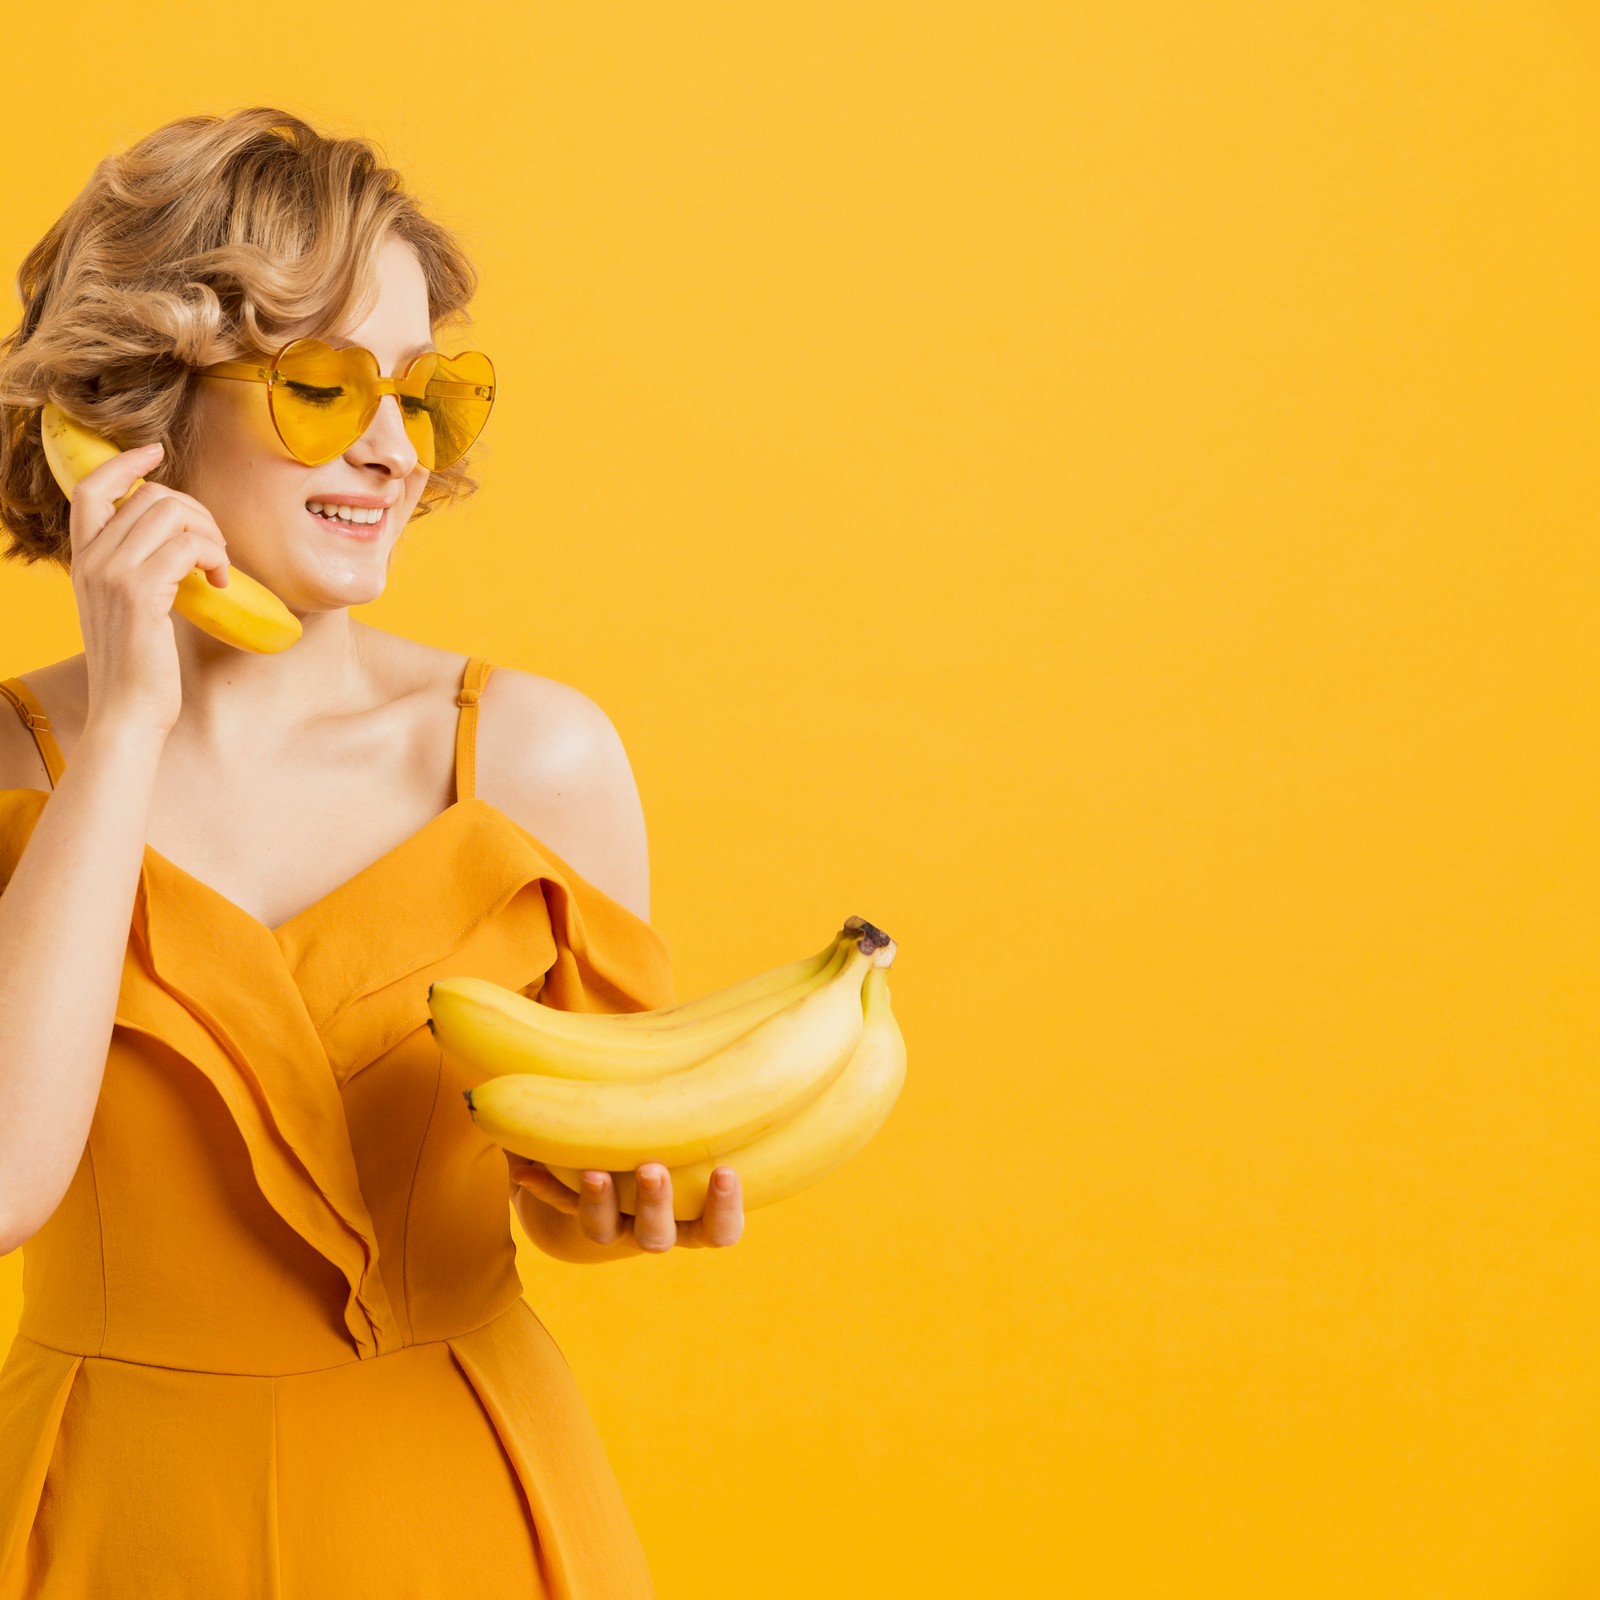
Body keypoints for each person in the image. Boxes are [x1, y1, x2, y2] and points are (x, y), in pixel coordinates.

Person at [0, 106, 741, 1597]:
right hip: (110, 1512)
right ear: (135, 412)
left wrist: (608, 1212)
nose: (394, 451)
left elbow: (574, 1184)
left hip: (462, 1495)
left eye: (422, 393)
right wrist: (129, 720)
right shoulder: (22, 764)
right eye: (325, 389)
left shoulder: (532, 759)